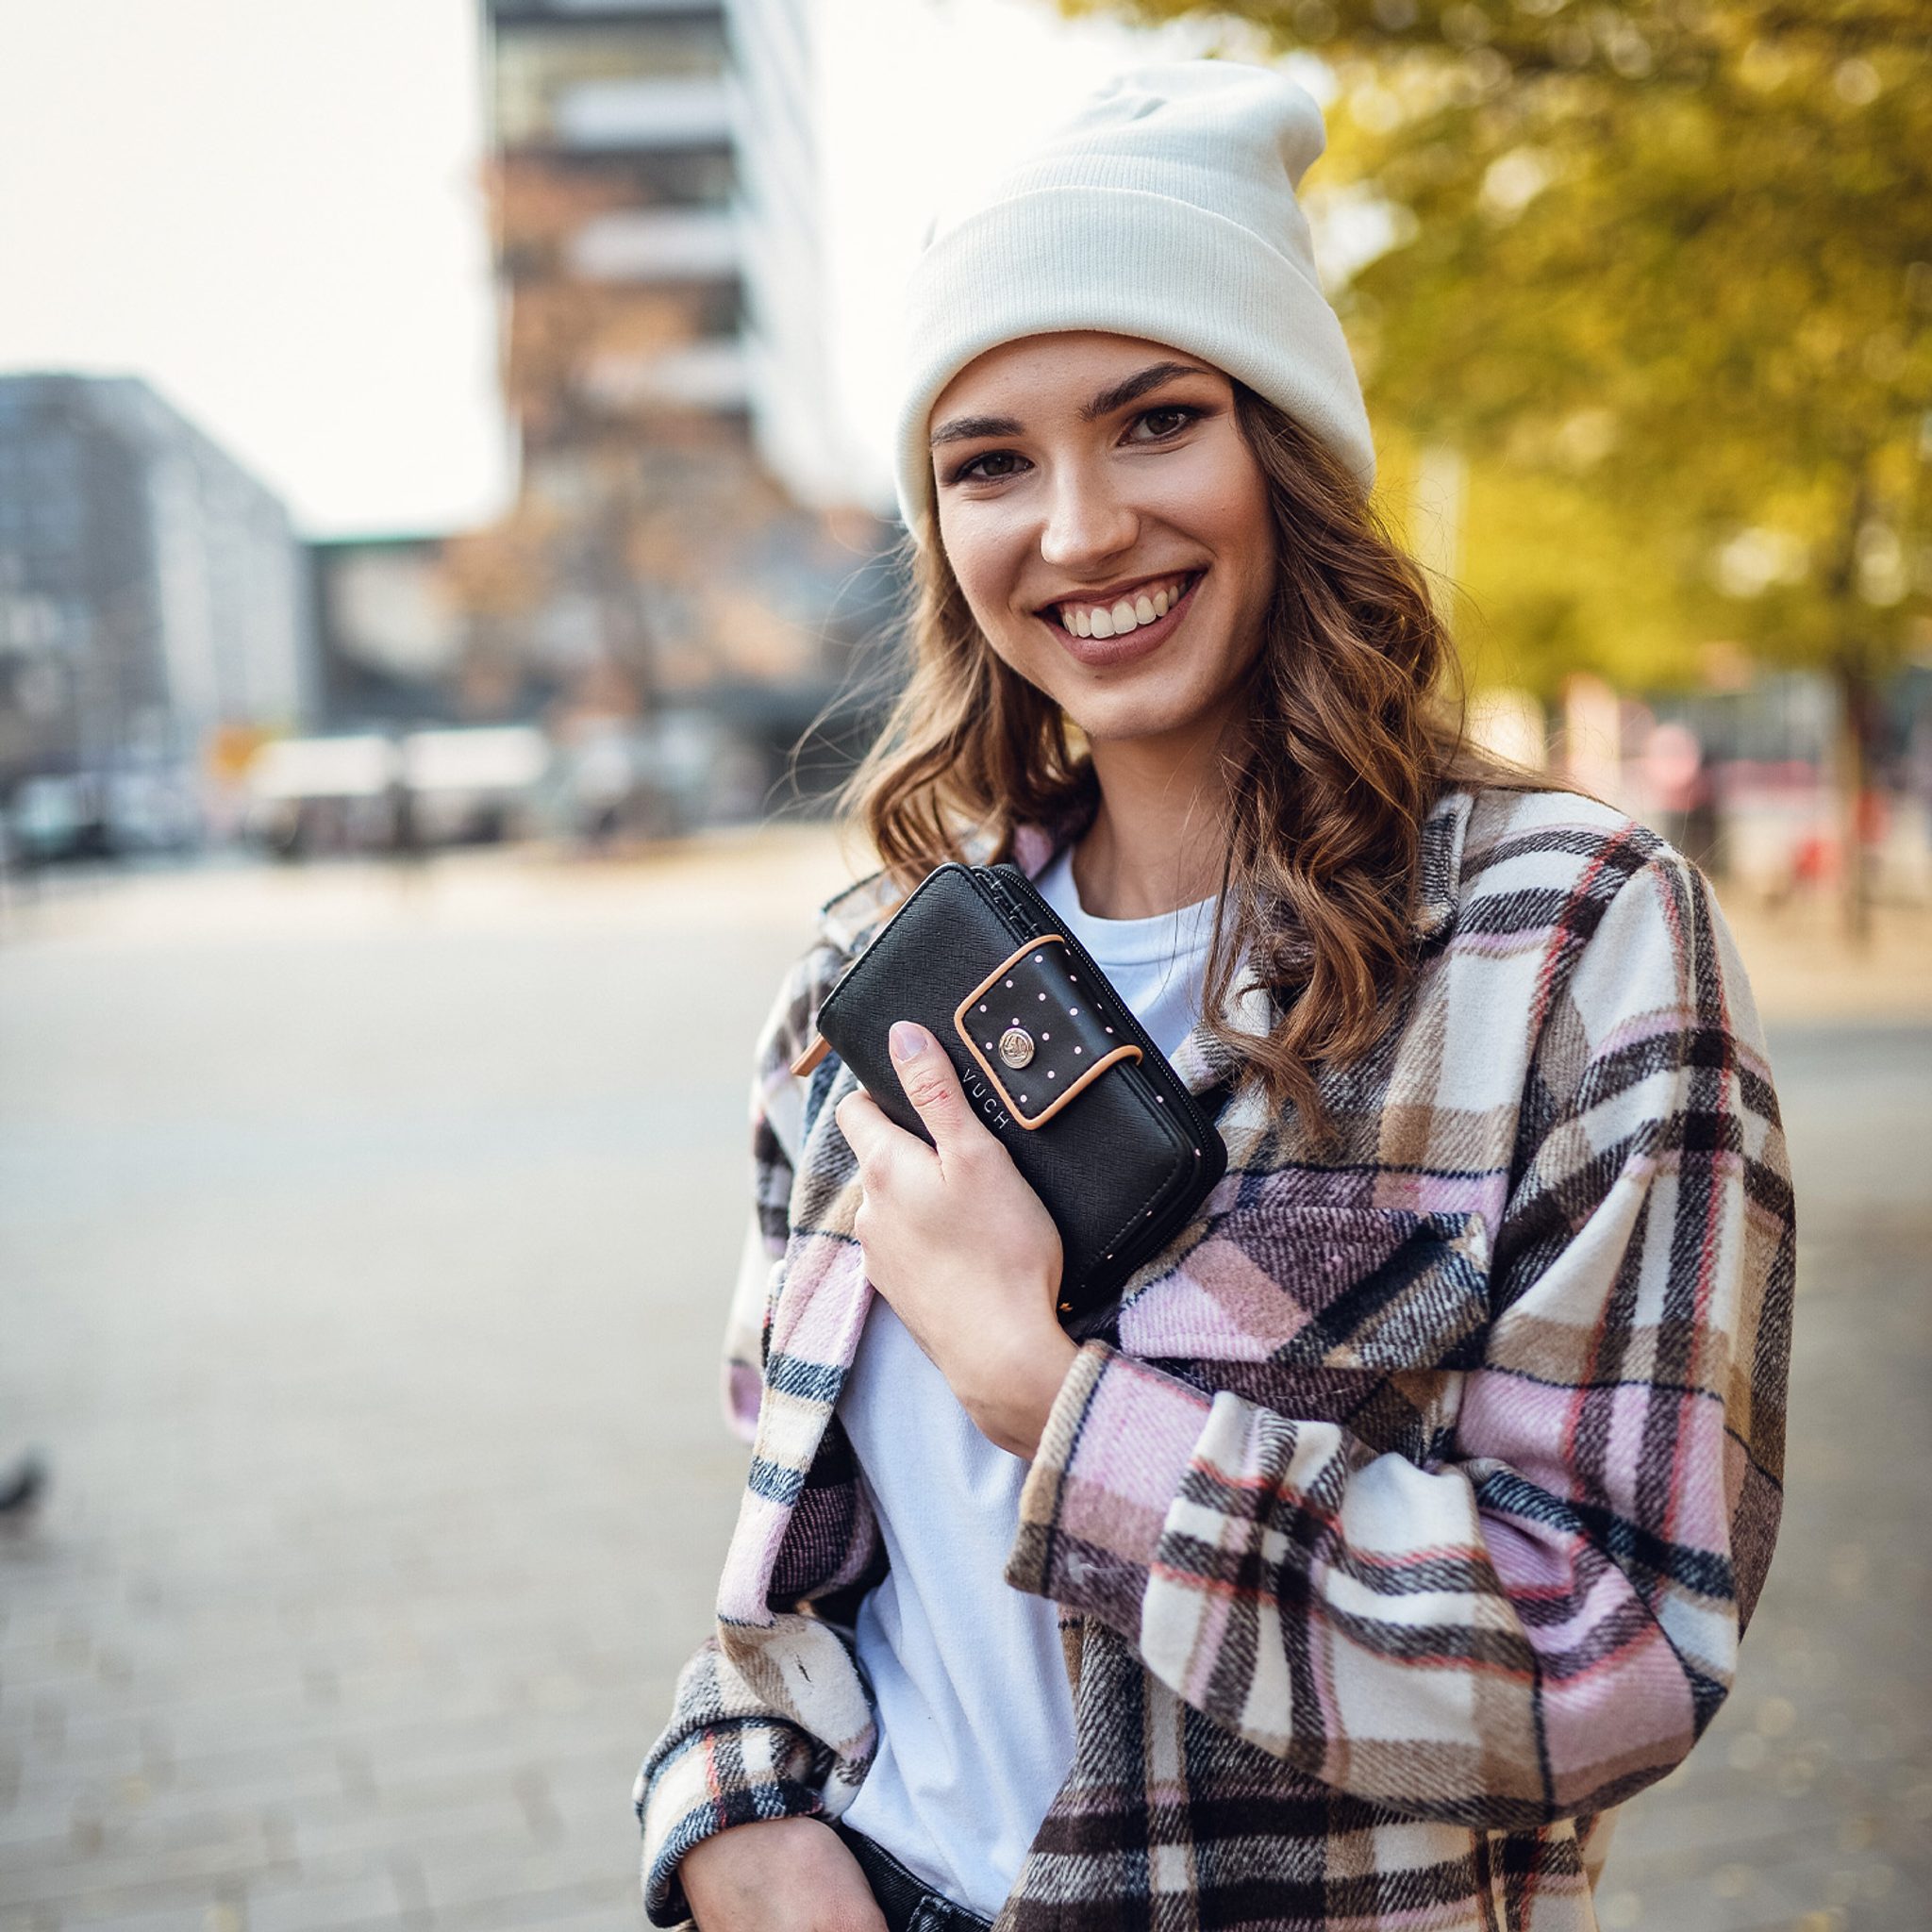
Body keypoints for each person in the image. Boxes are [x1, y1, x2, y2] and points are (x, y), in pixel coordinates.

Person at [634, 61, 1794, 1932]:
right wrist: (731, 1804)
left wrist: (1053, 1397)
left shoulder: (1565, 940)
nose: (1076, 529)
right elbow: (802, 1567)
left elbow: (1620, 1649)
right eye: (989, 460)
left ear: (1285, 454)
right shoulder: (860, 985)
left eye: (1152, 421)